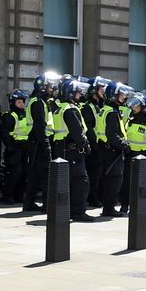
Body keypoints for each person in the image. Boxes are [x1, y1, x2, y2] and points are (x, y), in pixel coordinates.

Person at [54, 78, 93, 221]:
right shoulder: (70, 110)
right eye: (77, 92)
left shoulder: (59, 108)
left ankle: (67, 210)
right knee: (81, 182)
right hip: (72, 151)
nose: (79, 94)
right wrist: (86, 146)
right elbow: (77, 132)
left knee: (67, 182)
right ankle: (78, 212)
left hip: (62, 149)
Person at [22, 73, 58, 211]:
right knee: (45, 174)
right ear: (42, 86)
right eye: (49, 86)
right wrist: (46, 146)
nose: (52, 88)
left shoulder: (41, 102)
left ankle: (29, 203)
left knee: (35, 175)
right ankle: (47, 204)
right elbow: (39, 127)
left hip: (37, 141)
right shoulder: (37, 103)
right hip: (39, 142)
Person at [98, 82, 131, 217]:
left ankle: (108, 207)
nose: (123, 97)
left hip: (107, 149)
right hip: (112, 151)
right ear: (113, 96)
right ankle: (109, 209)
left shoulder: (107, 109)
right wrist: (124, 145)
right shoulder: (111, 112)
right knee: (114, 180)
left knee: (110, 180)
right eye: (121, 95)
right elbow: (111, 134)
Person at [84, 77, 111, 209]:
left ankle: (99, 197)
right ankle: (92, 198)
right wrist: (94, 144)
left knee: (101, 173)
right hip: (94, 145)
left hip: (101, 144)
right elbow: (89, 128)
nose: (103, 91)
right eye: (101, 88)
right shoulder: (88, 107)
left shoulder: (101, 104)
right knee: (94, 174)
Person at [0, 90, 31, 205]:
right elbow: (5, 133)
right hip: (15, 147)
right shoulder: (9, 116)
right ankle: (8, 196)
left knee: (24, 173)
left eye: (22, 102)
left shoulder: (27, 115)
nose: (22, 104)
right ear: (13, 103)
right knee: (14, 173)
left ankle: (19, 195)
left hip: (25, 147)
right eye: (19, 102)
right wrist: (10, 146)